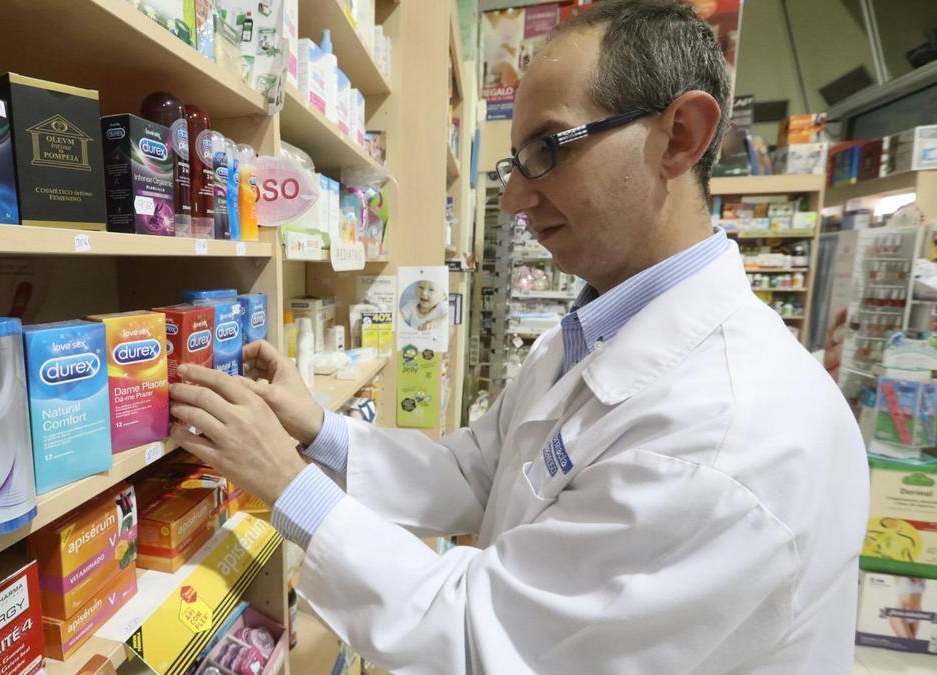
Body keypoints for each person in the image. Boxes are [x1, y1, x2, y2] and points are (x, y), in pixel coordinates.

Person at [167, 1, 869, 672]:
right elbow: (477, 471)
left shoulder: (730, 433)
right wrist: (319, 431)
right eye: (515, 162)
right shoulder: (593, 332)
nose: (516, 199)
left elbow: (485, 639)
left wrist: (288, 483)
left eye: (548, 150)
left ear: (680, 135)